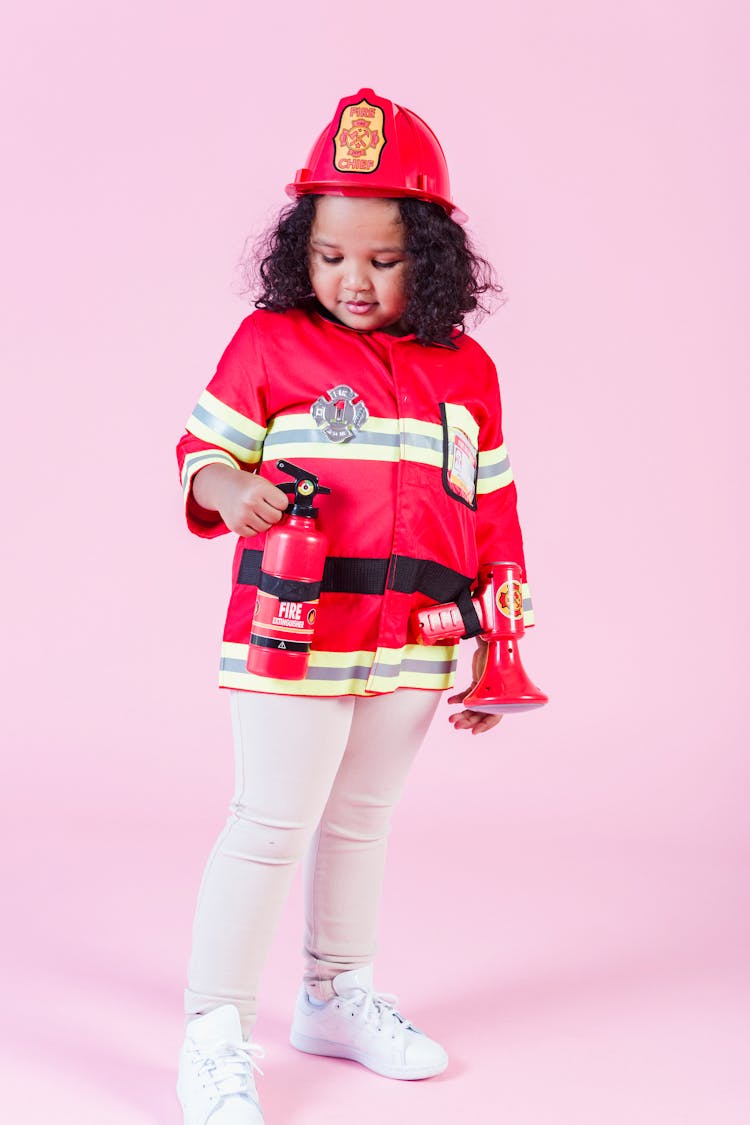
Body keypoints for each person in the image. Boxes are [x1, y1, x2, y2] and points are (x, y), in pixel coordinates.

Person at [175, 87, 535, 1125]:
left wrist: (494, 648)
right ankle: (214, 1031)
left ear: (431, 254)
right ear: (302, 251)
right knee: (268, 824)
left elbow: (494, 512)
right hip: (294, 631)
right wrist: (228, 489)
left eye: (383, 258)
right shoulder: (268, 344)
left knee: (362, 824)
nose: (355, 280)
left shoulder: (470, 372)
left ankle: (333, 997)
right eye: (332, 256)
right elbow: (200, 456)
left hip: (416, 644)